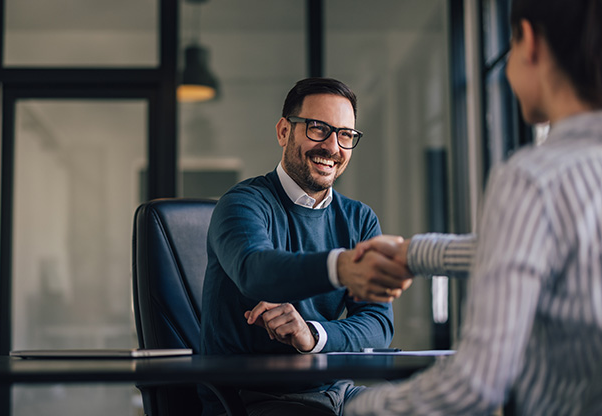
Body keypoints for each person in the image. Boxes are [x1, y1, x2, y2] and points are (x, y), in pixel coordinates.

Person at [345, 0, 602, 414]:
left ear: (529, 42)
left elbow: (474, 387)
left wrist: (357, 410)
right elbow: (541, 249)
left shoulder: (533, 179)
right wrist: (414, 254)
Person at [199, 77, 412, 416]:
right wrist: (341, 267)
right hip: (252, 399)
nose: (333, 147)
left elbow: (377, 324)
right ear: (285, 131)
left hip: (336, 393)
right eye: (318, 128)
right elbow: (256, 270)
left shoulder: (359, 219)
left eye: (345, 135)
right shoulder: (242, 204)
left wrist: (313, 335)